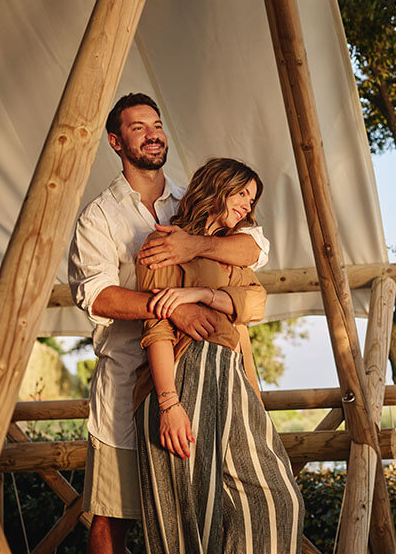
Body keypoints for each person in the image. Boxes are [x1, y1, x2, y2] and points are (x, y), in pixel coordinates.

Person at [68, 93, 270, 554]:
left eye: (156, 123)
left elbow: (256, 248)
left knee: (207, 503)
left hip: (210, 372)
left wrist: (192, 246)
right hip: (127, 376)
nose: (153, 133)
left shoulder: (196, 199)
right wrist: (171, 307)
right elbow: (95, 294)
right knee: (112, 510)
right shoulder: (99, 216)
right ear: (116, 142)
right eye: (138, 127)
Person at [133, 158, 304, 554]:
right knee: (190, 521)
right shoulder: (162, 242)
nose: (247, 204)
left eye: (252, 198)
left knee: (278, 501)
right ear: (217, 186)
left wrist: (202, 295)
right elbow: (156, 329)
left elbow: (257, 301)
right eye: (241, 193)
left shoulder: (234, 249)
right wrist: (168, 403)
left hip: (230, 373)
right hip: (181, 372)